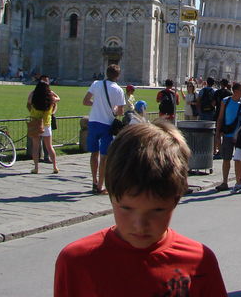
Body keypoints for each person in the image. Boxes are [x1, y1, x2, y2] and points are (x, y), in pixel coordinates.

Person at [54, 121, 227, 297]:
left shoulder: (199, 262)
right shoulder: (77, 261)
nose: (140, 225)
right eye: (127, 208)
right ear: (111, 196)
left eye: (157, 210)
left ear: (176, 200)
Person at [83, 64, 126, 195]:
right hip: (106, 124)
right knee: (104, 156)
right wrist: (113, 110)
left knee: (93, 153)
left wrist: (95, 104)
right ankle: (101, 186)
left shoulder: (96, 84)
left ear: (106, 73)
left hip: (93, 121)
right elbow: (120, 111)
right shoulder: (118, 90)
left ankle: (94, 181)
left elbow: (85, 101)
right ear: (118, 76)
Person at [214, 82, 241, 191]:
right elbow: (220, 118)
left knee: (239, 159)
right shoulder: (226, 101)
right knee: (226, 159)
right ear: (236, 91)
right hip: (227, 134)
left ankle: (238, 181)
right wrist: (217, 133)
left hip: (240, 135)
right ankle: (225, 182)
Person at [27, 80, 60, 174]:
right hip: (46, 124)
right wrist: (51, 92)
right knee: (49, 146)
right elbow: (58, 98)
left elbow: (29, 101)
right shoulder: (50, 98)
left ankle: (36, 168)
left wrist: (33, 92)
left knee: (36, 147)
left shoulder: (34, 97)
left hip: (36, 123)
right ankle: (55, 166)